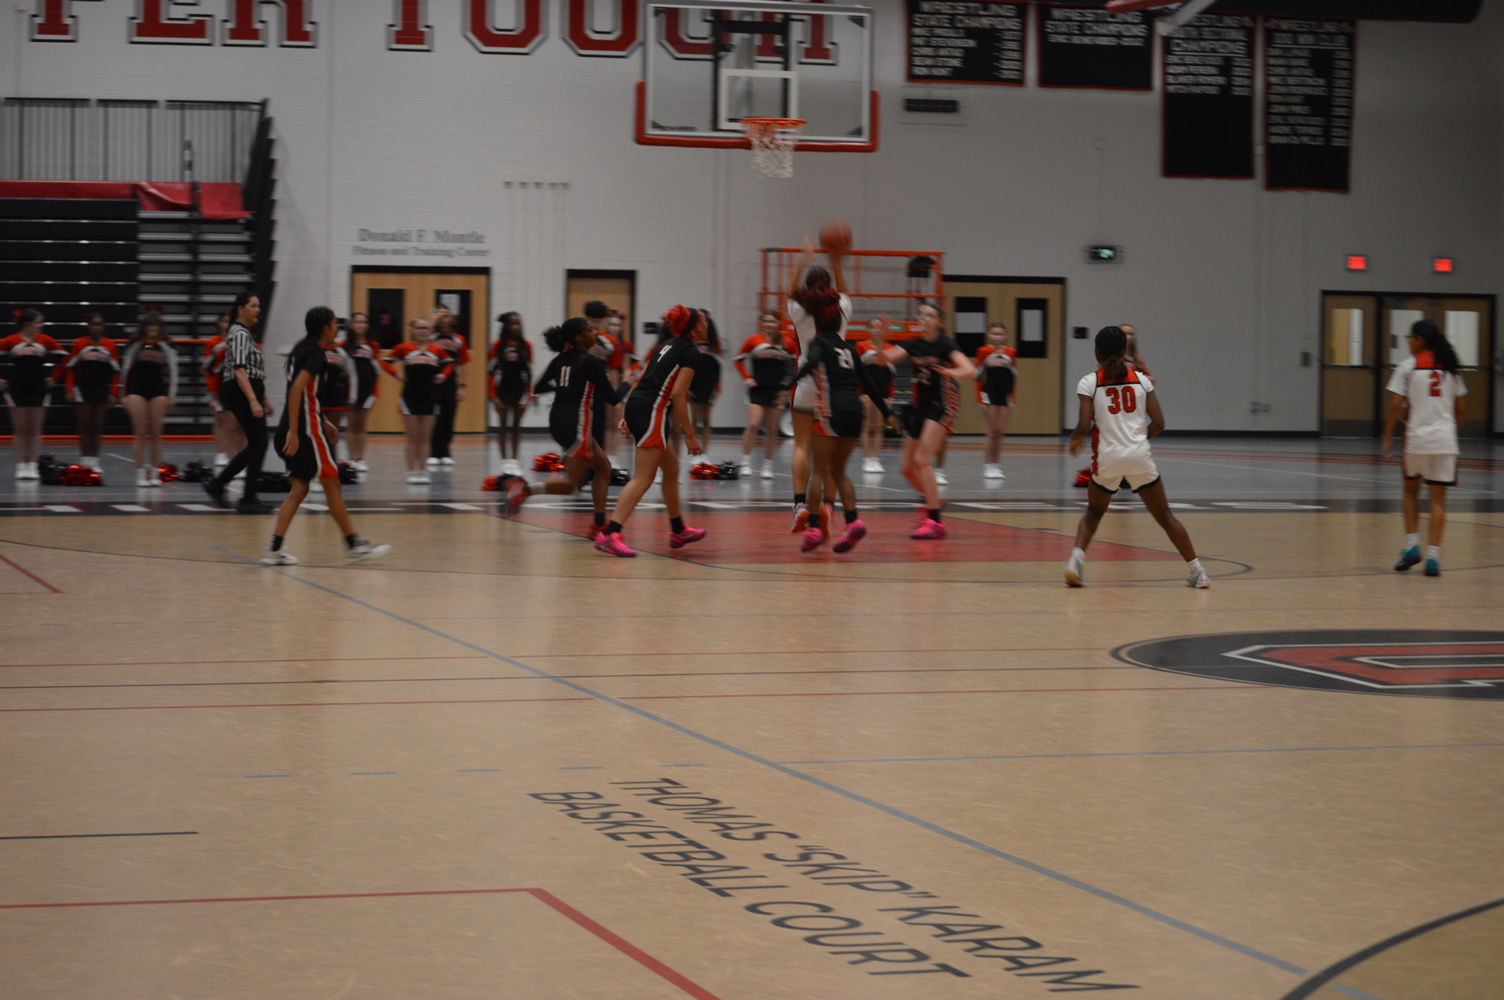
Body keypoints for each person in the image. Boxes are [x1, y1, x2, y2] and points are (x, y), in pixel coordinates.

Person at [1066, 326, 1208, 589]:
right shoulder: (1142, 380)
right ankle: (1198, 571)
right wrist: (1138, 440)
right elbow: (1159, 423)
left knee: (1094, 513)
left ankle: (1075, 562)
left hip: (1108, 458)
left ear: (1096, 352)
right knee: (1165, 516)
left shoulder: (1089, 382)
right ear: (1125, 352)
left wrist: (1075, 438)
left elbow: (1084, 426)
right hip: (1140, 456)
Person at [262, 306, 390, 566]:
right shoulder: (316, 354)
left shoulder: (302, 348)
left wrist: (324, 420)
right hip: (305, 432)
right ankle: (354, 545)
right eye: (334, 324)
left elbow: (305, 394)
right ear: (326, 328)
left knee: (300, 488)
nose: (337, 328)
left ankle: (274, 548)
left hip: (295, 426)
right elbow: (296, 390)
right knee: (332, 483)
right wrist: (297, 431)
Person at [499, 319, 634, 533]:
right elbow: (614, 398)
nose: (595, 332)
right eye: (590, 330)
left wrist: (563, 388)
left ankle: (599, 522)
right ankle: (525, 489)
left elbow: (538, 386)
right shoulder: (591, 362)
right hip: (576, 424)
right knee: (580, 480)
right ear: (579, 337)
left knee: (597, 471)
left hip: (557, 421)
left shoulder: (560, 359)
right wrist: (627, 381)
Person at [783, 289, 893, 553]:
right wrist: (889, 415)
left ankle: (813, 528)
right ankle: (853, 522)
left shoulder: (818, 343)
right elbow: (868, 384)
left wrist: (791, 381)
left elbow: (811, 362)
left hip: (832, 413)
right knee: (838, 471)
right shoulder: (850, 348)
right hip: (855, 412)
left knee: (819, 471)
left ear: (819, 323)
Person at [594, 305, 707, 557]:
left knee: (672, 469)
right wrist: (690, 435)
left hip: (641, 405)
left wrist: (628, 413)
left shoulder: (665, 345)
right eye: (704, 320)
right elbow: (678, 394)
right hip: (652, 410)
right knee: (643, 478)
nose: (707, 324)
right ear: (697, 327)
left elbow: (639, 378)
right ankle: (610, 534)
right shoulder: (691, 352)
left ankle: (678, 530)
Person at [879, 303, 974, 539]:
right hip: (920, 406)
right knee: (905, 468)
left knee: (922, 459)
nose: (924, 318)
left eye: (930, 315)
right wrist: (881, 340)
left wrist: (952, 373)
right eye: (921, 314)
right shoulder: (914, 344)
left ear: (939, 321)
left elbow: (969, 369)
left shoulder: (945, 344)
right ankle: (933, 500)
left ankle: (935, 521)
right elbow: (884, 360)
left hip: (943, 404)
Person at [1383, 318, 1467, 577]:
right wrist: (1450, 431)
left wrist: (1387, 435)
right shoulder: (1450, 367)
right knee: (1437, 500)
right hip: (1445, 442)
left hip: (1416, 440)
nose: (1408, 342)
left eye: (1410, 337)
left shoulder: (1408, 366)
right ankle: (1433, 559)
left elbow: (1395, 405)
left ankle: (1411, 547)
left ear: (1420, 340)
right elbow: (1461, 409)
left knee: (1410, 492)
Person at [786, 238, 849, 532]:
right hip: (833, 387)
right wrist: (835, 260)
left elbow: (789, 290)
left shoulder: (798, 310)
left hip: (805, 382)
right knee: (830, 453)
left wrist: (804, 258)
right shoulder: (841, 308)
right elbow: (844, 292)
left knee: (802, 446)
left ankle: (799, 505)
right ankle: (827, 506)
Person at [204, 293, 274, 513]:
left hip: (247, 388)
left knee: (256, 443)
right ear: (241, 309)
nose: (258, 310)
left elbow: (254, 371)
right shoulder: (240, 333)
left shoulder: (244, 334)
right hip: (241, 389)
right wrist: (253, 400)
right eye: (253, 306)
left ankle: (219, 485)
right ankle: (247, 498)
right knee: (259, 443)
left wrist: (264, 399)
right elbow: (240, 370)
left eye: (258, 306)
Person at [383, 316, 453, 484]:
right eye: (419, 328)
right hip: (410, 395)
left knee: (425, 436)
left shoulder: (437, 349)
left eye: (426, 328)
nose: (422, 331)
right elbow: (385, 361)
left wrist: (443, 375)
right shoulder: (403, 348)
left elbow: (450, 363)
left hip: (431, 395)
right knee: (412, 437)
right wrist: (396, 374)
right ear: (413, 330)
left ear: (430, 332)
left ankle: (422, 471)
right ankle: (411, 471)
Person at [1076, 324, 1147, 487]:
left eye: (1131, 333)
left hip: (1129, 408)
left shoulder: (1137, 359)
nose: (1129, 336)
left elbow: (1148, 378)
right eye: (1125, 333)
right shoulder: (1107, 366)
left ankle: (1120, 474)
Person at [1, 309, 66, 480]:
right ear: (27, 324)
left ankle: (32, 465)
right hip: (17, 388)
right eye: (38, 322)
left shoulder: (45, 340)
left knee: (36, 429)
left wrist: (54, 377)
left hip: (38, 388)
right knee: (20, 429)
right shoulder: (11, 340)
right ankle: (21, 465)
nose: (41, 325)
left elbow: (65, 358)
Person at [120, 312, 179, 487]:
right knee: (139, 433)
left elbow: (173, 370)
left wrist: (172, 395)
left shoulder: (165, 345)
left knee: (156, 434)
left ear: (160, 330)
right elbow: (125, 370)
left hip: (157, 390)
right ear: (144, 329)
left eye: (155, 330)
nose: (152, 333)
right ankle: (140, 473)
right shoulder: (136, 345)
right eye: (149, 329)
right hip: (136, 389)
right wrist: (123, 394)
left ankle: (154, 471)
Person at [735, 313, 794, 479]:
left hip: (777, 390)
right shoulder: (753, 339)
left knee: (771, 429)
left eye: (772, 321)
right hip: (757, 389)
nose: (769, 324)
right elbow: (738, 359)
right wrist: (747, 378)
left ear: (778, 323)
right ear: (761, 323)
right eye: (766, 321)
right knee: (753, 424)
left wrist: (787, 385)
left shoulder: (787, 342)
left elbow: (794, 365)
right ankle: (745, 462)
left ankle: (768, 466)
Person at [64, 313, 120, 470]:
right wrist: (69, 389)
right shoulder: (79, 344)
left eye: (100, 325)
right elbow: (70, 368)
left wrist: (113, 393)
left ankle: (94, 461)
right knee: (85, 425)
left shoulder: (110, 345)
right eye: (94, 324)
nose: (97, 328)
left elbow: (116, 371)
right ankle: (85, 460)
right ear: (88, 326)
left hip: (101, 389)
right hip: (83, 388)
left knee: (97, 426)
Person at [488, 312, 531, 475]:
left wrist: (528, 398)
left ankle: (514, 461)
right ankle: (504, 462)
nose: (515, 327)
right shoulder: (497, 345)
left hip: (519, 389)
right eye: (512, 323)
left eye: (517, 323)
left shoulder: (526, 346)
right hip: (503, 389)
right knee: (503, 426)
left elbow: (530, 374)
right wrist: (493, 396)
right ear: (506, 326)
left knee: (516, 427)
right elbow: (490, 372)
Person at [975, 322, 1018, 481]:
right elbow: (977, 377)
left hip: (1004, 395)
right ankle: (988, 465)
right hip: (989, 394)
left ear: (1005, 336)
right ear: (989, 335)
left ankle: (996, 465)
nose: (997, 337)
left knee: (1000, 431)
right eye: (994, 333)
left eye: (1000, 334)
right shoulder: (983, 351)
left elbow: (1013, 377)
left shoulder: (1011, 352)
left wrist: (1012, 399)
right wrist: (981, 399)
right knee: (991, 431)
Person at [428, 307, 470, 467]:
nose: (442, 318)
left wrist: (463, 386)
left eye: (445, 315)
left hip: (450, 383)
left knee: (448, 417)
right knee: (433, 418)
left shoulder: (458, 339)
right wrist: (432, 323)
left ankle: (445, 452)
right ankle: (433, 453)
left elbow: (464, 364)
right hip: (431, 382)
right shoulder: (429, 337)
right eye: (439, 315)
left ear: (451, 318)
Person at [855, 318, 896, 473]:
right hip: (866, 391)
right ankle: (867, 459)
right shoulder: (861, 346)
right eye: (873, 327)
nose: (877, 330)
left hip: (882, 391)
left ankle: (876, 459)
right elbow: (856, 372)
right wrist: (859, 393)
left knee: (879, 426)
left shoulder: (890, 348)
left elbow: (891, 374)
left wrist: (890, 397)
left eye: (879, 327)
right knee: (866, 424)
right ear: (869, 330)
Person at [345, 312, 379, 472]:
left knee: (362, 425)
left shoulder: (373, 346)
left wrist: (375, 393)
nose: (361, 325)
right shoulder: (344, 345)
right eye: (357, 322)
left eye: (364, 322)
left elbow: (377, 371)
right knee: (352, 425)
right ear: (352, 325)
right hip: (350, 390)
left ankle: (361, 458)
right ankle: (352, 459)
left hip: (367, 390)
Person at [689, 335, 721, 447]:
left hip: (708, 389)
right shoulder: (692, 359)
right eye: (701, 347)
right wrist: (687, 389)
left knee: (706, 420)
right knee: (694, 420)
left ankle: (705, 449)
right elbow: (687, 374)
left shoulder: (714, 361)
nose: (703, 349)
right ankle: (694, 447)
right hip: (694, 389)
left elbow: (717, 376)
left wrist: (717, 390)